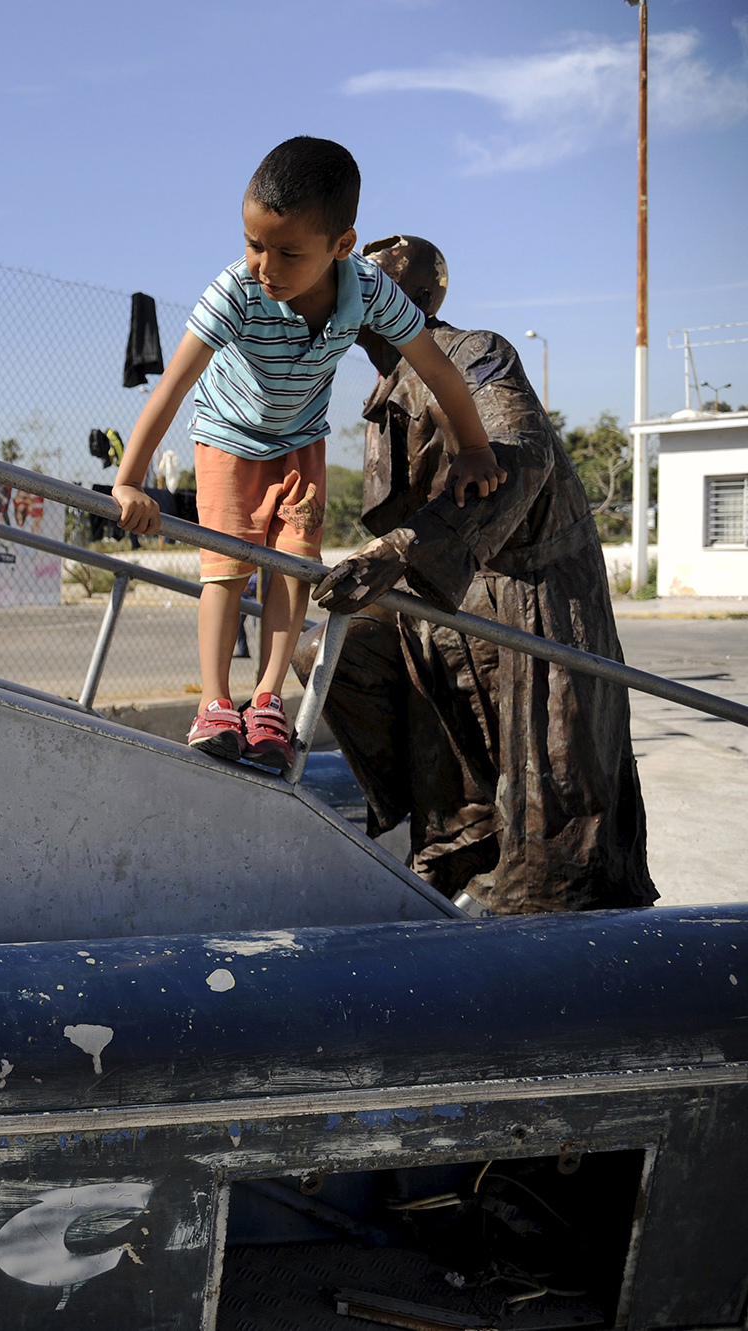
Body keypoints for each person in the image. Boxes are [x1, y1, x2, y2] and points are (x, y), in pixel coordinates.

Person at [111, 137, 506, 769]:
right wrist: (130, 482)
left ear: (342, 247)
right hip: (226, 436)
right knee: (227, 565)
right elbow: (174, 385)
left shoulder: (370, 291)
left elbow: (437, 368)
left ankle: (265, 703)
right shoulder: (236, 291)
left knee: (295, 564)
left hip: (300, 441)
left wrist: (476, 446)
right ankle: (216, 703)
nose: (264, 265)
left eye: (288, 252)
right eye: (253, 243)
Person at [305, 235, 654, 914]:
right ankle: (450, 849)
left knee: (553, 829)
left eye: (366, 287)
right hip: (453, 592)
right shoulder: (387, 386)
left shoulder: (474, 352)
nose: (349, 300)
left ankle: (557, 924)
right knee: (332, 650)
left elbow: (519, 451)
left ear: (408, 300)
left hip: (533, 594)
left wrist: (403, 549)